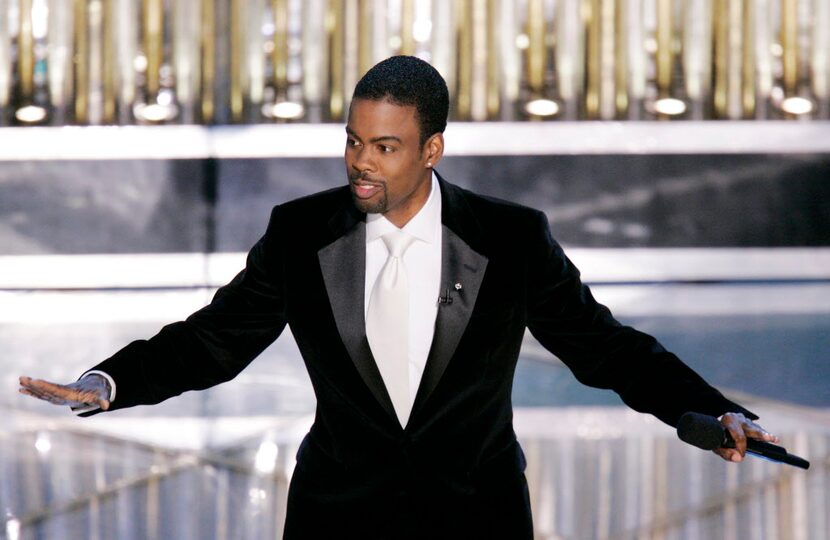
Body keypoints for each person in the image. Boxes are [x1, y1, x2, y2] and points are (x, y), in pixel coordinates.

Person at [19, 56, 778, 539]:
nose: (360, 162)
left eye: (383, 147)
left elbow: (604, 347)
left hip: (477, 520)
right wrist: (107, 381)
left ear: (431, 149)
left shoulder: (511, 238)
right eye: (353, 141)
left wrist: (705, 408)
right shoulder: (301, 232)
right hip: (337, 519)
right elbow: (213, 338)